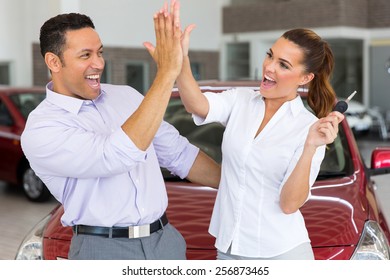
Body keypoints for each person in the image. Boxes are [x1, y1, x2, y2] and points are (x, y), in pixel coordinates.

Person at [21, 1, 220, 260]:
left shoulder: (126, 96)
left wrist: (240, 186)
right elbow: (115, 156)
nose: (99, 63)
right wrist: (167, 73)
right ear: (54, 62)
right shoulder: (42, 128)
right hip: (103, 249)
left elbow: (179, 153)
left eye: (100, 52)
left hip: (166, 241)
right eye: (85, 55)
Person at [145, 3, 344, 260]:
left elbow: (289, 204)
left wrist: (310, 147)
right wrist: (181, 59)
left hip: (281, 255)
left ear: (305, 78)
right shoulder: (241, 101)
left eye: (283, 65)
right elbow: (197, 104)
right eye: (270, 55)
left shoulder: (307, 128)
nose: (269, 67)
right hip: (228, 248)